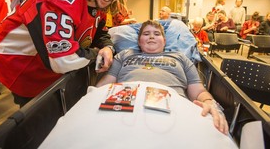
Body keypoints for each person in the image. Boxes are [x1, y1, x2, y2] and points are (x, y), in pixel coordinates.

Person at [0, 0, 132, 107]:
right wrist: (95, 53)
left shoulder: (98, 0)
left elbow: (100, 32)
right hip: (18, 60)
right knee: (38, 116)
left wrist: (107, 47)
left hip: (47, 60)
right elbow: (63, 60)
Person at [97, 20, 228, 134]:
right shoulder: (125, 55)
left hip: (171, 105)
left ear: (164, 41)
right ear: (139, 41)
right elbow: (103, 86)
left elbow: (198, 91)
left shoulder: (180, 58)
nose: (151, 37)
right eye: (146, 34)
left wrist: (209, 102)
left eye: (157, 34)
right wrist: (91, 98)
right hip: (126, 101)